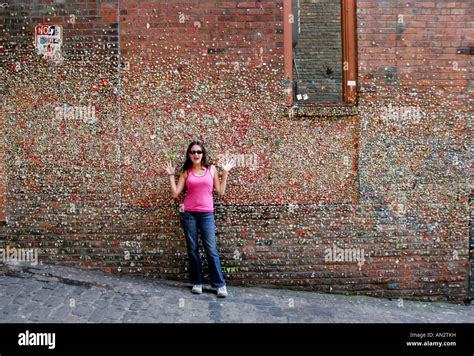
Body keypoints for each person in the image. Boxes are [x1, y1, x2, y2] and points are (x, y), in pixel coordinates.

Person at [164, 141, 235, 297]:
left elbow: (220, 191)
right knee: (193, 249)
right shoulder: (185, 171)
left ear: (203, 154)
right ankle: (197, 282)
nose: (196, 154)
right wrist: (171, 176)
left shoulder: (212, 169)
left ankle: (219, 284)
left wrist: (226, 173)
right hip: (188, 213)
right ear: (189, 155)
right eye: (193, 152)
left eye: (199, 152)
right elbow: (176, 193)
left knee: (211, 249)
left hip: (206, 214)